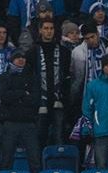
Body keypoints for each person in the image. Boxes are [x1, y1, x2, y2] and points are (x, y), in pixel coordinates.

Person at [0, 49, 42, 173]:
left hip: (29, 122)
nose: (21, 59)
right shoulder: (5, 77)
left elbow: (35, 98)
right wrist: (23, 93)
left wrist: (15, 95)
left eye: (23, 57)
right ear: (12, 60)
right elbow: (4, 96)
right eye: (17, 57)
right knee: (6, 158)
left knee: (34, 158)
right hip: (10, 122)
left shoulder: (32, 76)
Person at [32, 19, 71, 147]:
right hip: (40, 102)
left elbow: (67, 77)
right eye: (46, 28)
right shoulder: (32, 52)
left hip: (58, 102)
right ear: (40, 30)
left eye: (51, 28)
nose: (49, 31)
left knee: (59, 138)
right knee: (39, 137)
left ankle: (59, 166)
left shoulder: (64, 52)